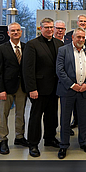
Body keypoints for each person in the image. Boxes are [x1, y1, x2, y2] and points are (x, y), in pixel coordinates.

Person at [23, 18, 64, 157]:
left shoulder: (59, 43)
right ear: (40, 28)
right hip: (39, 89)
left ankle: (50, 138)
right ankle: (33, 143)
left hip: (55, 88)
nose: (49, 29)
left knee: (52, 116)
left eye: (51, 27)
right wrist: (31, 89)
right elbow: (28, 69)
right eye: (46, 27)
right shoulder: (32, 45)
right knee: (35, 117)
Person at [56, 27, 86, 159]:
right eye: (78, 37)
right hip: (68, 91)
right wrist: (72, 85)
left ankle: (83, 142)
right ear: (72, 37)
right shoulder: (63, 50)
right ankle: (63, 145)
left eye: (83, 37)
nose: (81, 39)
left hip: (84, 91)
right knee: (65, 119)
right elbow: (60, 70)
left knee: (83, 118)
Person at [0, 22, 28, 155]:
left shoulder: (26, 48)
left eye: (18, 30)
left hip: (21, 87)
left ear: (21, 32)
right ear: (8, 33)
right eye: (12, 31)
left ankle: (19, 137)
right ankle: (3, 140)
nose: (15, 33)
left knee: (20, 114)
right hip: (6, 88)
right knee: (3, 114)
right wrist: (0, 90)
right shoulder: (1, 48)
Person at [65, 14, 86, 128]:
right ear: (77, 22)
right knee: (72, 104)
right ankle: (75, 120)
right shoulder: (69, 35)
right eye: (80, 21)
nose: (82, 23)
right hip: (72, 78)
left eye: (85, 21)